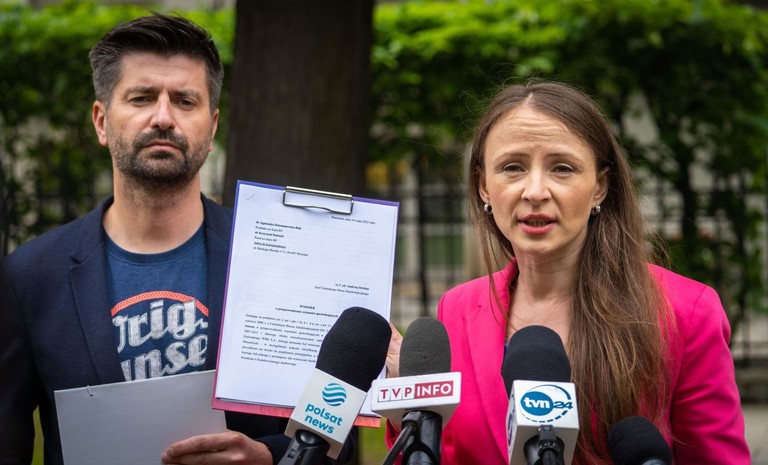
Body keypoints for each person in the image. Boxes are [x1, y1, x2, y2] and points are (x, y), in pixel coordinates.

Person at [0, 13, 354, 465]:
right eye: (142, 98)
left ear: (213, 126)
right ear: (101, 121)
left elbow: (337, 438)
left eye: (185, 101)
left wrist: (270, 457)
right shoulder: (30, 277)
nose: (164, 118)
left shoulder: (283, 260)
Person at [384, 81, 750, 464]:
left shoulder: (686, 313)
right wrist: (409, 409)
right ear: (484, 187)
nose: (535, 191)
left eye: (562, 168)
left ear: (600, 187)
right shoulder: (456, 309)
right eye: (512, 167)